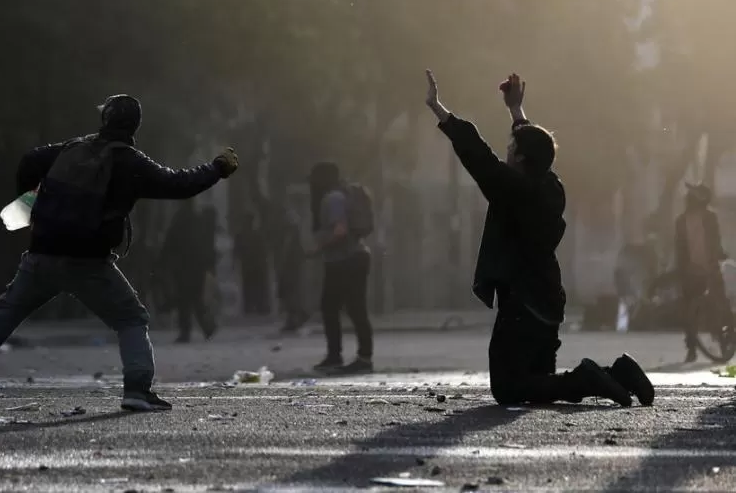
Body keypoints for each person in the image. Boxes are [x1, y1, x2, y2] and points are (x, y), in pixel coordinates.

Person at [0, 95, 239, 412]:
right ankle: (138, 390)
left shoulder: (71, 148)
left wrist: (32, 201)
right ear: (135, 125)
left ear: (105, 119)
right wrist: (217, 168)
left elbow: (29, 160)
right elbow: (179, 184)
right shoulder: (130, 161)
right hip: (89, 262)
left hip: (40, 255)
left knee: (2, 318)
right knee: (131, 317)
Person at [425, 70, 654, 407]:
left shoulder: (514, 190)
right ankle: (619, 373)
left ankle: (587, 378)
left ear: (519, 158)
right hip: (546, 303)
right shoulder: (549, 186)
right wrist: (516, 111)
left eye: (510, 149)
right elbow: (534, 147)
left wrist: (438, 109)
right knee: (540, 384)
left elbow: (477, 153)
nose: (505, 153)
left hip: (522, 306)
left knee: (509, 389)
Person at [309, 161, 374, 374]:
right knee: (349, 308)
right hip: (353, 257)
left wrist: (317, 247)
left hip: (345, 260)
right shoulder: (342, 194)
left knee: (340, 308)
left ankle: (345, 357)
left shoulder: (333, 198)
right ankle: (351, 357)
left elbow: (340, 230)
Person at [675, 182, 728, 363]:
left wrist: (719, 254)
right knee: (691, 313)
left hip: (708, 269)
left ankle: (723, 342)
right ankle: (692, 348)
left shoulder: (709, 218)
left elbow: (716, 241)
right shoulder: (682, 221)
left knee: (719, 307)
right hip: (692, 272)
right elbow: (680, 248)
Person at [161, 203, 217, 343]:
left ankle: (187, 332)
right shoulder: (199, 222)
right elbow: (206, 244)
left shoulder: (179, 221)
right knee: (196, 299)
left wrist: (163, 260)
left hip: (183, 267)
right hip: (197, 267)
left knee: (184, 301)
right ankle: (207, 327)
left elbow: (169, 242)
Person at [275, 201, 308, 333]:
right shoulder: (294, 229)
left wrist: (283, 263)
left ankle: (297, 316)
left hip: (291, 265)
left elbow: (287, 249)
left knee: (289, 292)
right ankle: (296, 317)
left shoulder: (291, 230)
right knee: (290, 292)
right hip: (293, 264)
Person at [233, 211, 270, 315]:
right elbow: (262, 252)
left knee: (249, 287)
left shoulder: (241, 235)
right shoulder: (255, 235)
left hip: (249, 266)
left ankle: (250, 306)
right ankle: (256, 306)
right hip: (253, 266)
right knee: (253, 287)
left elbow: (236, 251)